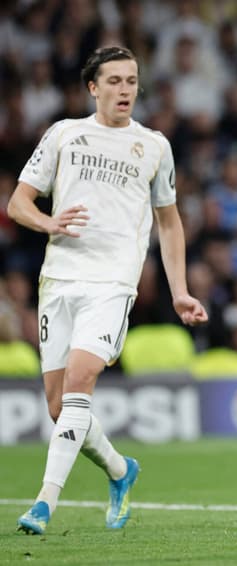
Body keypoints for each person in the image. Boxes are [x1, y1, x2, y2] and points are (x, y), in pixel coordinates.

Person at [8, 46, 208, 535]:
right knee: (58, 407)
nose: (125, 90)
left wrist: (179, 290)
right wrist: (49, 221)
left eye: (132, 81)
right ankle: (121, 470)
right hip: (59, 280)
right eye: (114, 81)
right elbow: (17, 203)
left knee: (80, 381)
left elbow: (169, 222)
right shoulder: (64, 134)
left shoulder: (155, 146)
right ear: (93, 87)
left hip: (113, 284)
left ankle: (43, 504)